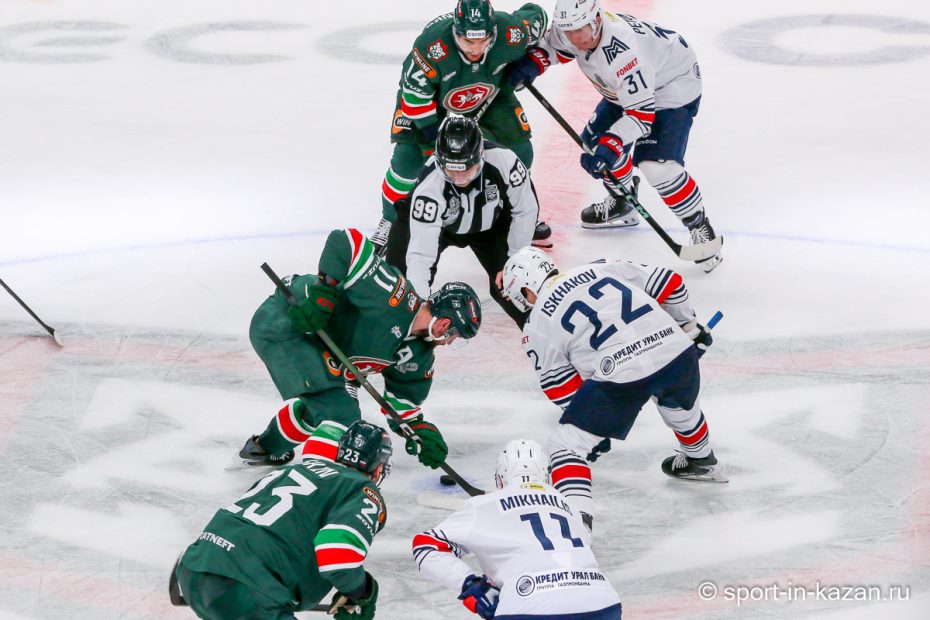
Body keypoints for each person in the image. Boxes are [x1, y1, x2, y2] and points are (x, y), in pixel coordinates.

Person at [500, 246, 727, 528]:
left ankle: (576, 528)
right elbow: (670, 283)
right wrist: (688, 327)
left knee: (566, 446)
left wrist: (591, 426)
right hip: (676, 350)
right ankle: (702, 459)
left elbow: (559, 384)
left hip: (620, 371)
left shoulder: (536, 324)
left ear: (526, 291)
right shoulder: (599, 266)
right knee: (680, 408)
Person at [237, 228, 482, 470]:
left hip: (320, 349)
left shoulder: (420, 352)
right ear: (445, 325)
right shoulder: (393, 296)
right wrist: (323, 296)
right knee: (341, 414)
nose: (450, 342)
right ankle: (319, 482)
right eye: (455, 336)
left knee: (323, 407)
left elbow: (402, 401)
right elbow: (346, 242)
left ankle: (263, 449)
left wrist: (419, 430)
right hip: (287, 321)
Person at [507, 0, 723, 272]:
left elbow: (640, 116)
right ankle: (623, 201)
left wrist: (612, 144)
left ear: (596, 20)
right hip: (627, 89)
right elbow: (554, 46)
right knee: (594, 146)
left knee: (657, 167)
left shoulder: (623, 53)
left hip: (671, 85)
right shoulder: (575, 27)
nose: (575, 38)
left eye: (580, 30)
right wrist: (533, 63)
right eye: (569, 31)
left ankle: (700, 225)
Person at [374, 0, 552, 254]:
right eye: (468, 41)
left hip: (488, 92)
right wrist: (434, 139)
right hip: (431, 105)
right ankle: (390, 221)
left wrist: (532, 61)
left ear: (493, 31)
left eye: (483, 41)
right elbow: (414, 97)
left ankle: (515, 216)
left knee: (520, 151)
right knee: (408, 160)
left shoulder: (511, 31)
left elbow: (539, 16)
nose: (476, 49)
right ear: (456, 32)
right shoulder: (431, 47)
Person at [174, 420, 392, 620]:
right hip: (246, 586)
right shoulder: (362, 489)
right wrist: (360, 592)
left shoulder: (292, 469)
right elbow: (337, 554)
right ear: (378, 466)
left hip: (194, 566)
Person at [412, 439, 622, 619]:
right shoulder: (569, 506)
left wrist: (473, 587)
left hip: (530, 604)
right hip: (603, 602)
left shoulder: (483, 505)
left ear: (500, 478)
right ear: (546, 475)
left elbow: (425, 546)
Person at [385, 114, 539, 328]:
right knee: (400, 288)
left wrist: (515, 262)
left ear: (480, 156)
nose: (459, 179)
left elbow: (525, 210)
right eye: (451, 170)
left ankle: (543, 328)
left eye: (466, 169)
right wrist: (420, 306)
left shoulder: (505, 161)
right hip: (441, 228)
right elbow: (420, 255)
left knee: (516, 283)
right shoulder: (429, 188)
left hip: (491, 225)